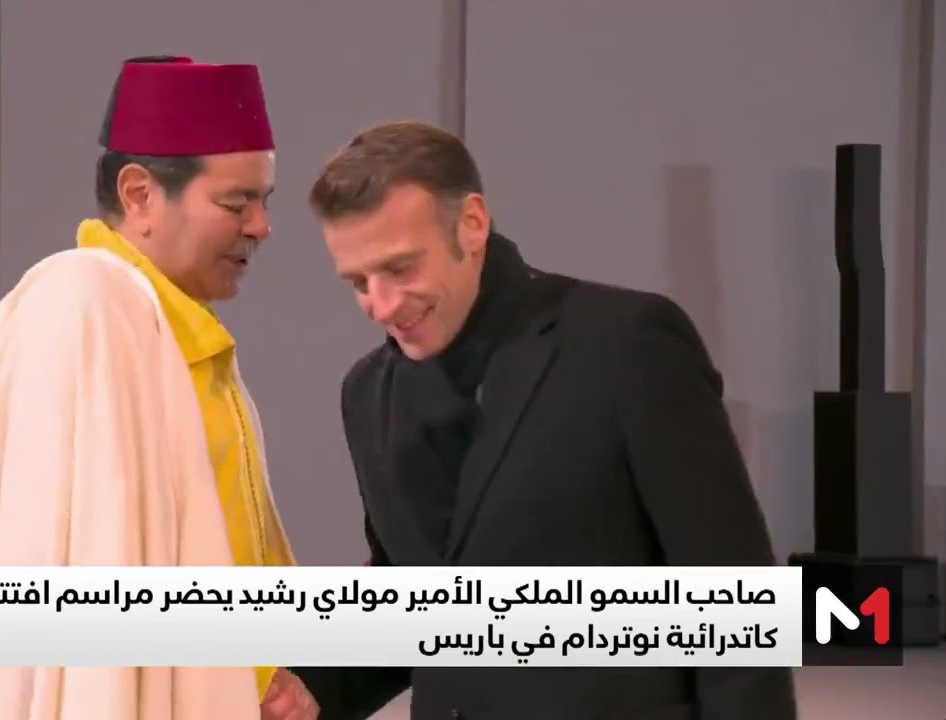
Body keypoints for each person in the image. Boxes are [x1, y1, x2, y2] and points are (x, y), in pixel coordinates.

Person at [289, 120, 798, 720]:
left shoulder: (625, 344)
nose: (381, 305)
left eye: (400, 268)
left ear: (471, 224)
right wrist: (313, 690)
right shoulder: (367, 394)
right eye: (358, 282)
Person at [0, 55, 315, 720]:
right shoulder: (82, 307)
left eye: (265, 201)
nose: (261, 226)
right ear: (140, 195)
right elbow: (63, 579)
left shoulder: (176, 332)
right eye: (236, 203)